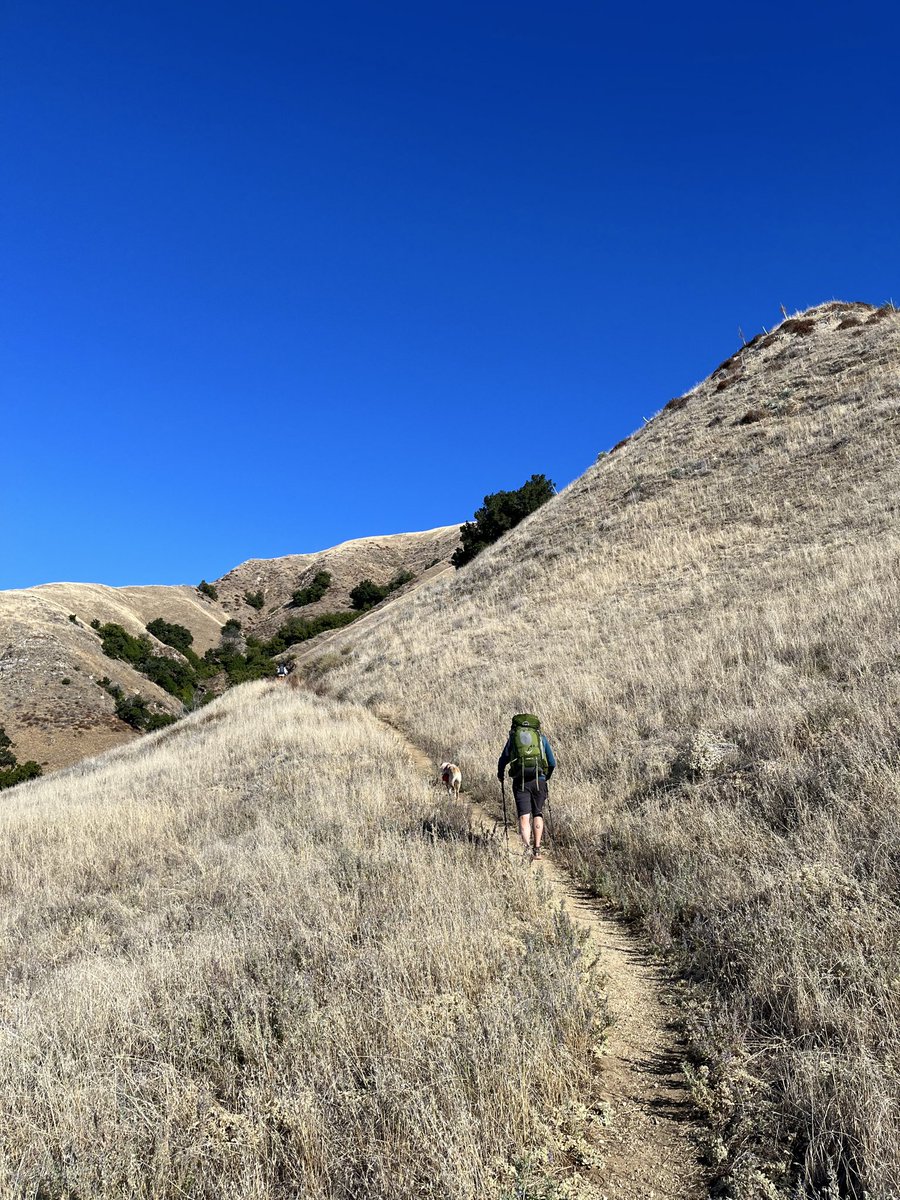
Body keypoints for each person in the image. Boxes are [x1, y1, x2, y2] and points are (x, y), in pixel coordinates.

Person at [497, 714, 556, 860]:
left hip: (520, 780)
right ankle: (537, 849)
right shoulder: (541, 739)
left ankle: (527, 850)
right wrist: (545, 777)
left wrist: (500, 774)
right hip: (539, 780)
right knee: (538, 813)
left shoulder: (513, 739)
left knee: (524, 816)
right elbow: (552, 762)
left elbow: (503, 759)